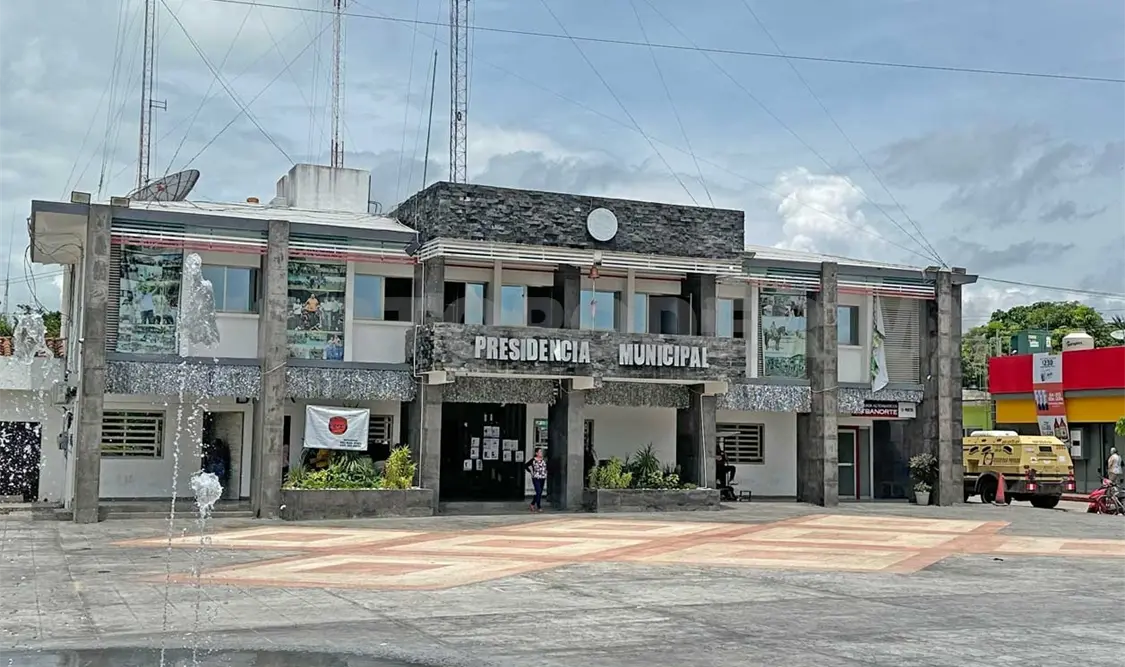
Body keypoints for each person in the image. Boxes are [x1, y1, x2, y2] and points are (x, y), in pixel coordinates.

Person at [525, 448, 548, 512]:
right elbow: (526, 465)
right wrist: (530, 471)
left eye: (541, 452)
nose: (541, 453)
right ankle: (539, 506)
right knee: (538, 491)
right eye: (540, 452)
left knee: (539, 492)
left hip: (542, 477)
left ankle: (532, 504)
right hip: (536, 477)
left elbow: (546, 467)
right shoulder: (533, 460)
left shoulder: (544, 460)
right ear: (536, 453)